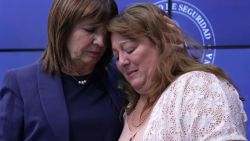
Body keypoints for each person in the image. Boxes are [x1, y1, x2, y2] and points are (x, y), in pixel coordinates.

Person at [108, 3, 247, 141]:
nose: (122, 62)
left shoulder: (199, 88)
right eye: (117, 56)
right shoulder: (129, 109)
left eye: (130, 49)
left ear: (164, 41)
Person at [0, 0, 127, 141]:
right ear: (63, 29)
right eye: (90, 30)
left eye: (106, 34)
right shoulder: (20, 83)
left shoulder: (120, 79)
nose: (101, 42)